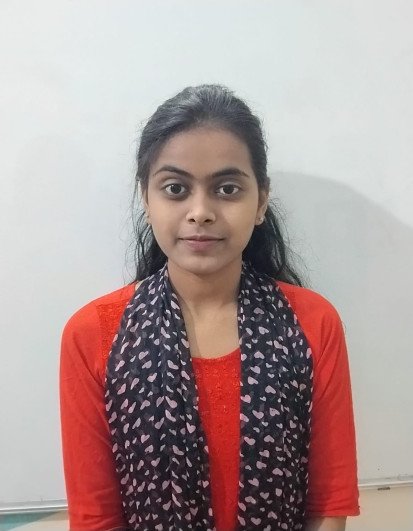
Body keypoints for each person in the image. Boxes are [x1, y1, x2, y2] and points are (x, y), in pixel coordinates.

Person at [60, 84, 359, 531]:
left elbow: (328, 505)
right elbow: (96, 518)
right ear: (146, 199)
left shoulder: (312, 323)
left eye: (227, 188)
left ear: (260, 201)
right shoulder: (93, 333)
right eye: (175, 188)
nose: (200, 211)